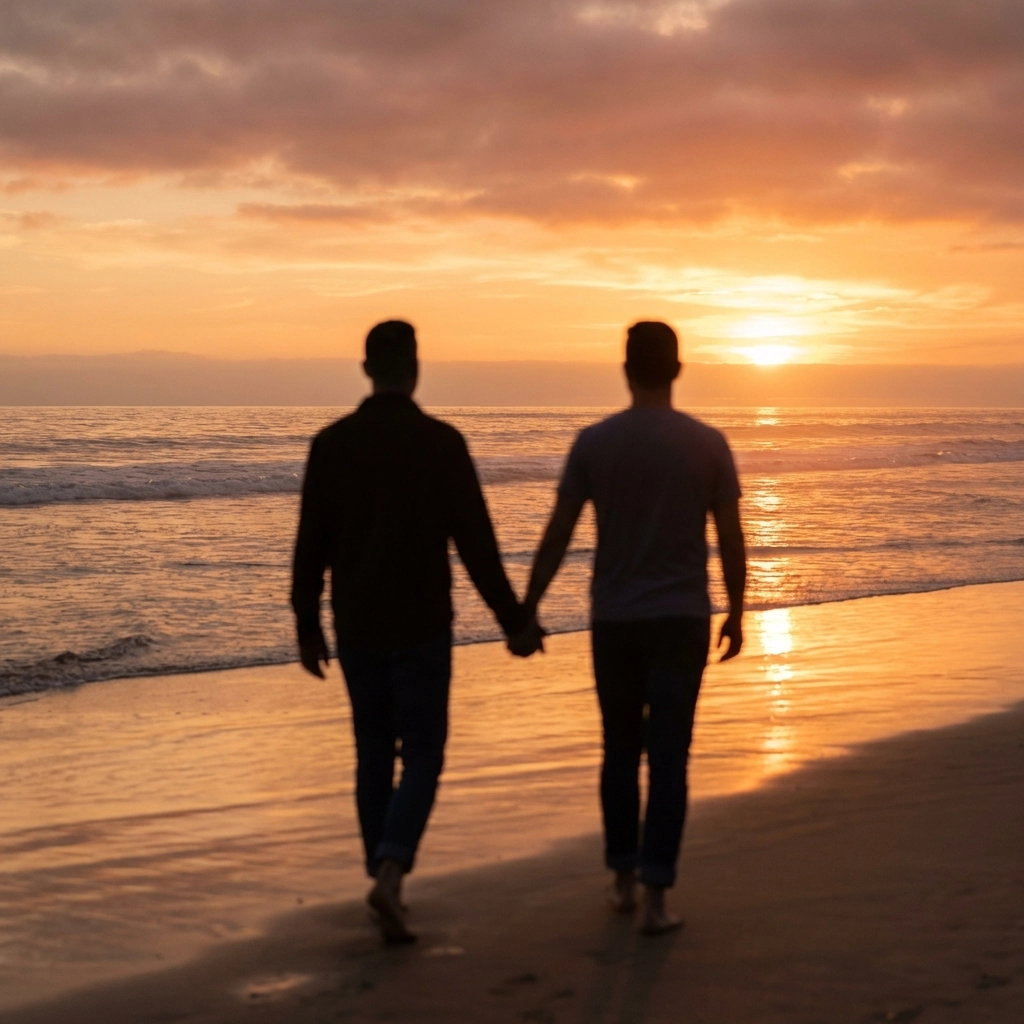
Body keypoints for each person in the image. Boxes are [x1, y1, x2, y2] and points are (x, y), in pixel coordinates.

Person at [292, 320, 542, 943]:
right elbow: (476, 543)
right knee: (423, 754)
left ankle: (384, 875)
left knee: (374, 752)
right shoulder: (440, 443)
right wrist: (514, 620)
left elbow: (311, 542)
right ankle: (391, 871)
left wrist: (306, 623)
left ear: (366, 368)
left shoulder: (332, 444)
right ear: (416, 368)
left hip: (356, 622)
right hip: (422, 619)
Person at [513, 321, 747, 935]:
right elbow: (730, 536)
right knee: (669, 757)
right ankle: (657, 898)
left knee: (619, 750)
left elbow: (559, 532)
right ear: (677, 370)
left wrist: (528, 606)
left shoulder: (595, 442)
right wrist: (737, 609)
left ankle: (621, 881)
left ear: (625, 370)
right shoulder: (707, 443)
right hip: (682, 619)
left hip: (615, 619)